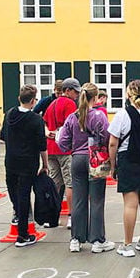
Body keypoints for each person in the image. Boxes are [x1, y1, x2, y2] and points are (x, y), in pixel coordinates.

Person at [58, 83, 114, 254]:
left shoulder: (72, 117)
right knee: (96, 200)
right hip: (94, 158)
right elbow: (106, 137)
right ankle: (97, 240)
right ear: (95, 97)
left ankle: (76, 238)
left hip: (77, 158)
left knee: (78, 199)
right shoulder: (99, 116)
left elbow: (62, 143)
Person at [108, 80, 140, 257]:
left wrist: (112, 165)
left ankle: (128, 244)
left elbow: (113, 142)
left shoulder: (121, 115)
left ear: (127, 94)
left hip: (128, 160)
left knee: (130, 205)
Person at [0, 85, 48, 247]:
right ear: (33, 101)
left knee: (13, 191)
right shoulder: (36, 120)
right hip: (28, 161)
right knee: (24, 195)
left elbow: (3, 137)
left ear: (19, 98)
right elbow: (42, 145)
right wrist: (45, 164)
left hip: (11, 160)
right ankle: (23, 234)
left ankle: (18, 215)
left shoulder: (9, 115)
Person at [43, 77, 81, 229]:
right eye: (75, 91)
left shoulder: (52, 103)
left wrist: (48, 133)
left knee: (55, 183)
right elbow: (71, 125)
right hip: (64, 149)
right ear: (68, 90)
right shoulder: (70, 104)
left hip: (50, 147)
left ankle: (52, 217)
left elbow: (44, 121)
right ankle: (71, 216)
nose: (77, 95)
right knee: (70, 182)